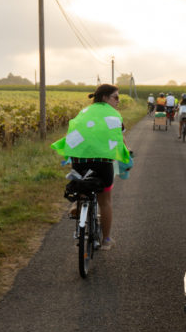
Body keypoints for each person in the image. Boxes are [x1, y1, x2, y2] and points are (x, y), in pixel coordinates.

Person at [50, 84, 131, 250]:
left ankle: (78, 204)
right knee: (105, 200)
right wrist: (126, 155)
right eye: (116, 97)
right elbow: (119, 138)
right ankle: (106, 240)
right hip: (102, 162)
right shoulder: (114, 115)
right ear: (104, 98)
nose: (118, 101)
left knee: (82, 184)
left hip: (79, 159)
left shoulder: (84, 112)